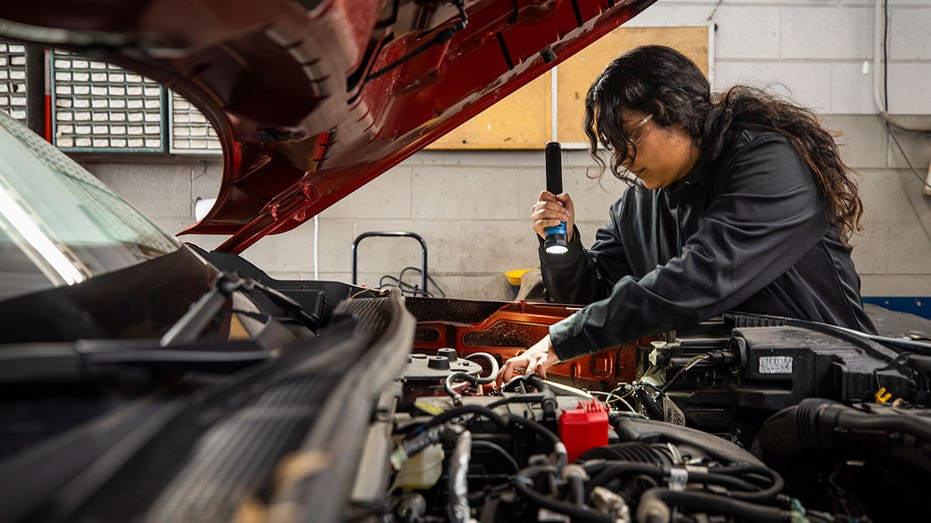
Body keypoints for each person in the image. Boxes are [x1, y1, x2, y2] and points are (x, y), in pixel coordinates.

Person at [497, 45, 876, 385]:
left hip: (830, 390)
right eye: (613, 146)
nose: (621, 158)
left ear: (674, 110)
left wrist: (562, 339)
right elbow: (590, 295)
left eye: (628, 136)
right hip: (724, 397)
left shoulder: (770, 164)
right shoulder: (638, 205)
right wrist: (560, 244)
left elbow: (703, 277)